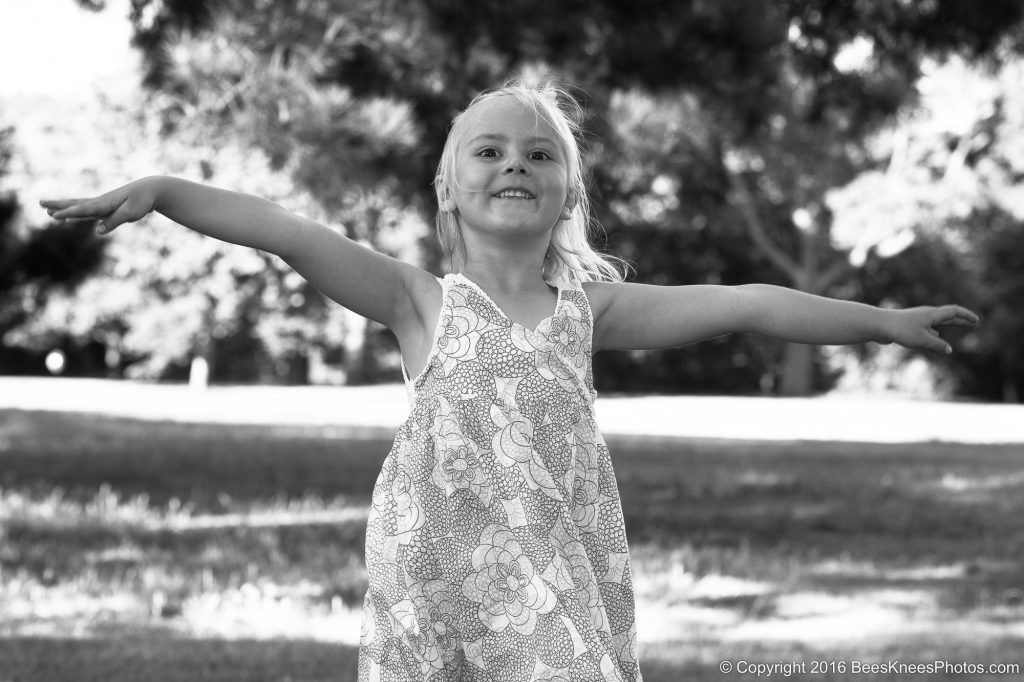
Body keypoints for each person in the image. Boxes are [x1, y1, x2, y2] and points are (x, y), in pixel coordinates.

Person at [41, 79, 978, 682]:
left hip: (551, 568)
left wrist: (883, 325)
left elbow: (745, 304)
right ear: (448, 189)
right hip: (436, 570)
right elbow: (286, 230)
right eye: (487, 152)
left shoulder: (593, 309)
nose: (514, 164)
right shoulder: (415, 302)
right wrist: (165, 190)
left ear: (568, 195)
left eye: (538, 155)